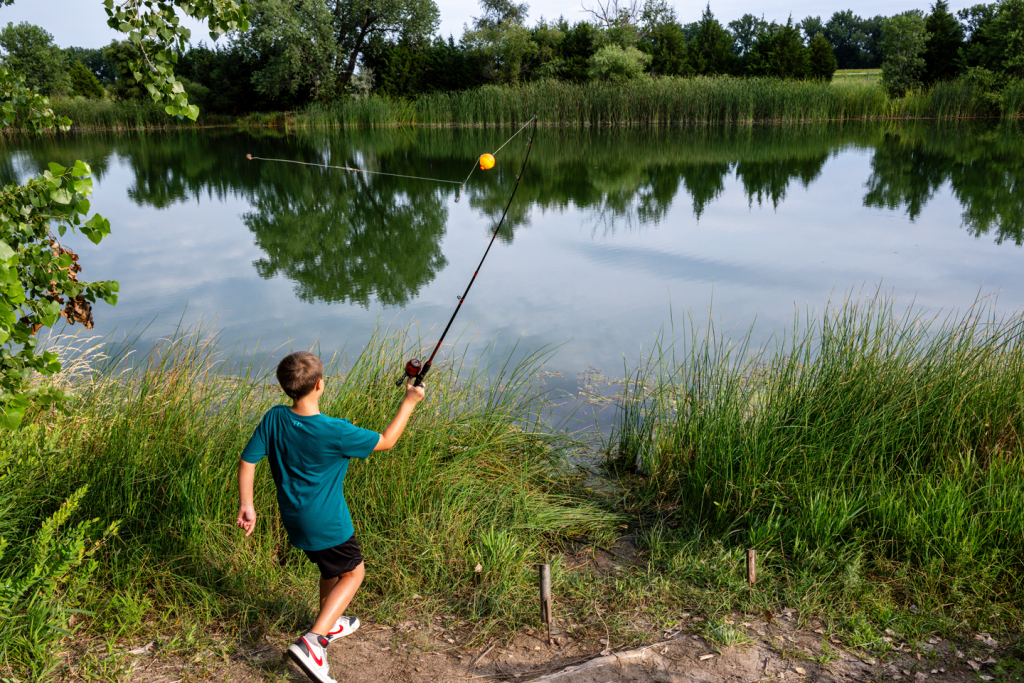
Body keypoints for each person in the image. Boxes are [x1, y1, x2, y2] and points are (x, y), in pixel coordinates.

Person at [236, 351, 425, 683]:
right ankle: (313, 642)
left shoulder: (274, 418)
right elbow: (387, 441)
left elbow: (247, 461)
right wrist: (409, 402)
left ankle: (330, 621)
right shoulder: (336, 431)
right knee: (353, 573)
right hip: (328, 522)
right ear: (320, 385)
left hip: (293, 518)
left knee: (330, 568)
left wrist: (247, 504)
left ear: (285, 388)